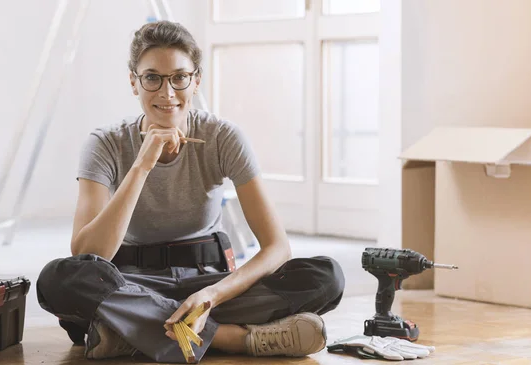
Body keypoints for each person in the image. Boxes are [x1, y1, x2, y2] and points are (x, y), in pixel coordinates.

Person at [36, 20, 345, 363]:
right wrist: (141, 166)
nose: (167, 94)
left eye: (179, 78)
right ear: (133, 83)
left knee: (325, 276)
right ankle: (232, 338)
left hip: (209, 283)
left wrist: (211, 296)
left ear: (196, 80)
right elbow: (87, 253)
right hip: (133, 284)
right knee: (59, 279)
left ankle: (132, 332)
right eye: (152, 78)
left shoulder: (223, 137)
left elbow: (276, 247)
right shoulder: (105, 143)